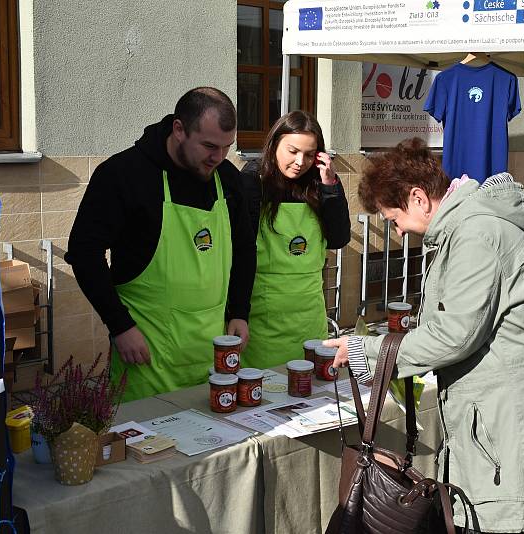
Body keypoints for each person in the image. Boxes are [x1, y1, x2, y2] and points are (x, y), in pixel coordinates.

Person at [325, 139, 524, 534]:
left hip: (508, 425)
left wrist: (366, 349)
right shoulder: (464, 231)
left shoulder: (475, 235)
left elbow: (455, 334)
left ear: (418, 198)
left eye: (394, 218)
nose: (397, 229)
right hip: (496, 420)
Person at [66, 87, 256, 402]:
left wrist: (239, 310)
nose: (218, 158)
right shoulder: (122, 175)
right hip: (147, 357)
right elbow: (85, 254)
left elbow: (245, 249)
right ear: (179, 129)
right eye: (209, 146)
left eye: (227, 148)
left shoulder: (227, 179)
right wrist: (120, 325)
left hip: (212, 355)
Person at [239, 111, 350, 369]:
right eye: (293, 151)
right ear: (275, 143)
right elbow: (240, 248)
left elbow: (339, 238)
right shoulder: (254, 180)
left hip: (308, 313)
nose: (301, 162)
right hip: (263, 316)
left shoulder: (322, 181)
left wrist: (330, 187)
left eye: (310, 154)